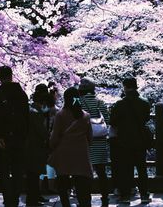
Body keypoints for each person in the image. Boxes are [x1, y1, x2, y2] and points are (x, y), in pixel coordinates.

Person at [0, 66, 29, 207]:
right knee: (18, 169)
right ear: (11, 76)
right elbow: (26, 116)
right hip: (19, 138)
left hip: (3, 139)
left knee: (4, 170)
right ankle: (15, 197)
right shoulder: (22, 94)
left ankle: (8, 198)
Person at [48, 87, 93, 207]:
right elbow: (90, 137)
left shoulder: (61, 115)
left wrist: (52, 146)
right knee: (81, 183)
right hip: (81, 153)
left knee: (63, 183)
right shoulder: (86, 116)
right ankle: (85, 204)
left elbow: (54, 136)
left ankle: (66, 204)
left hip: (64, 153)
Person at [110, 77, 151, 204]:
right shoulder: (144, 103)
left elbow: (112, 121)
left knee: (126, 169)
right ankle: (144, 194)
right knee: (142, 168)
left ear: (125, 87)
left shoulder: (120, 104)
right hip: (140, 140)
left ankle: (125, 196)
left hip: (124, 141)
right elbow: (146, 118)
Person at [78, 77, 110, 207]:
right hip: (100, 140)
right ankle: (105, 197)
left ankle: (86, 199)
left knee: (85, 173)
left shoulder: (79, 102)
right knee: (102, 172)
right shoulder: (100, 102)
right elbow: (107, 118)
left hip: (86, 141)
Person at [24, 91, 49, 206]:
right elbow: (42, 131)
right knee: (33, 175)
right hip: (35, 147)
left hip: (29, 147)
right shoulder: (36, 113)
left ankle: (34, 197)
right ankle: (32, 199)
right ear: (43, 102)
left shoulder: (30, 110)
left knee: (32, 175)